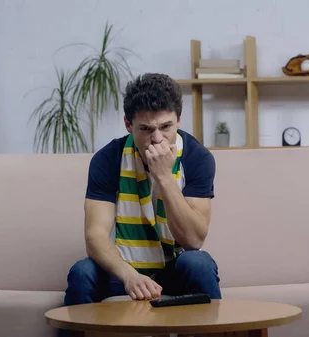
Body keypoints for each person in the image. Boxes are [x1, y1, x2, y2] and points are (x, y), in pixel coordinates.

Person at [64, 73, 221, 306]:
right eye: (146, 129)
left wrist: (164, 178)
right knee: (82, 271)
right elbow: (95, 236)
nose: (157, 139)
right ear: (128, 125)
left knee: (199, 263)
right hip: (125, 269)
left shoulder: (197, 158)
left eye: (166, 126)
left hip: (173, 269)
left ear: (179, 119)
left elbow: (193, 240)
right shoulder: (108, 159)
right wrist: (129, 276)